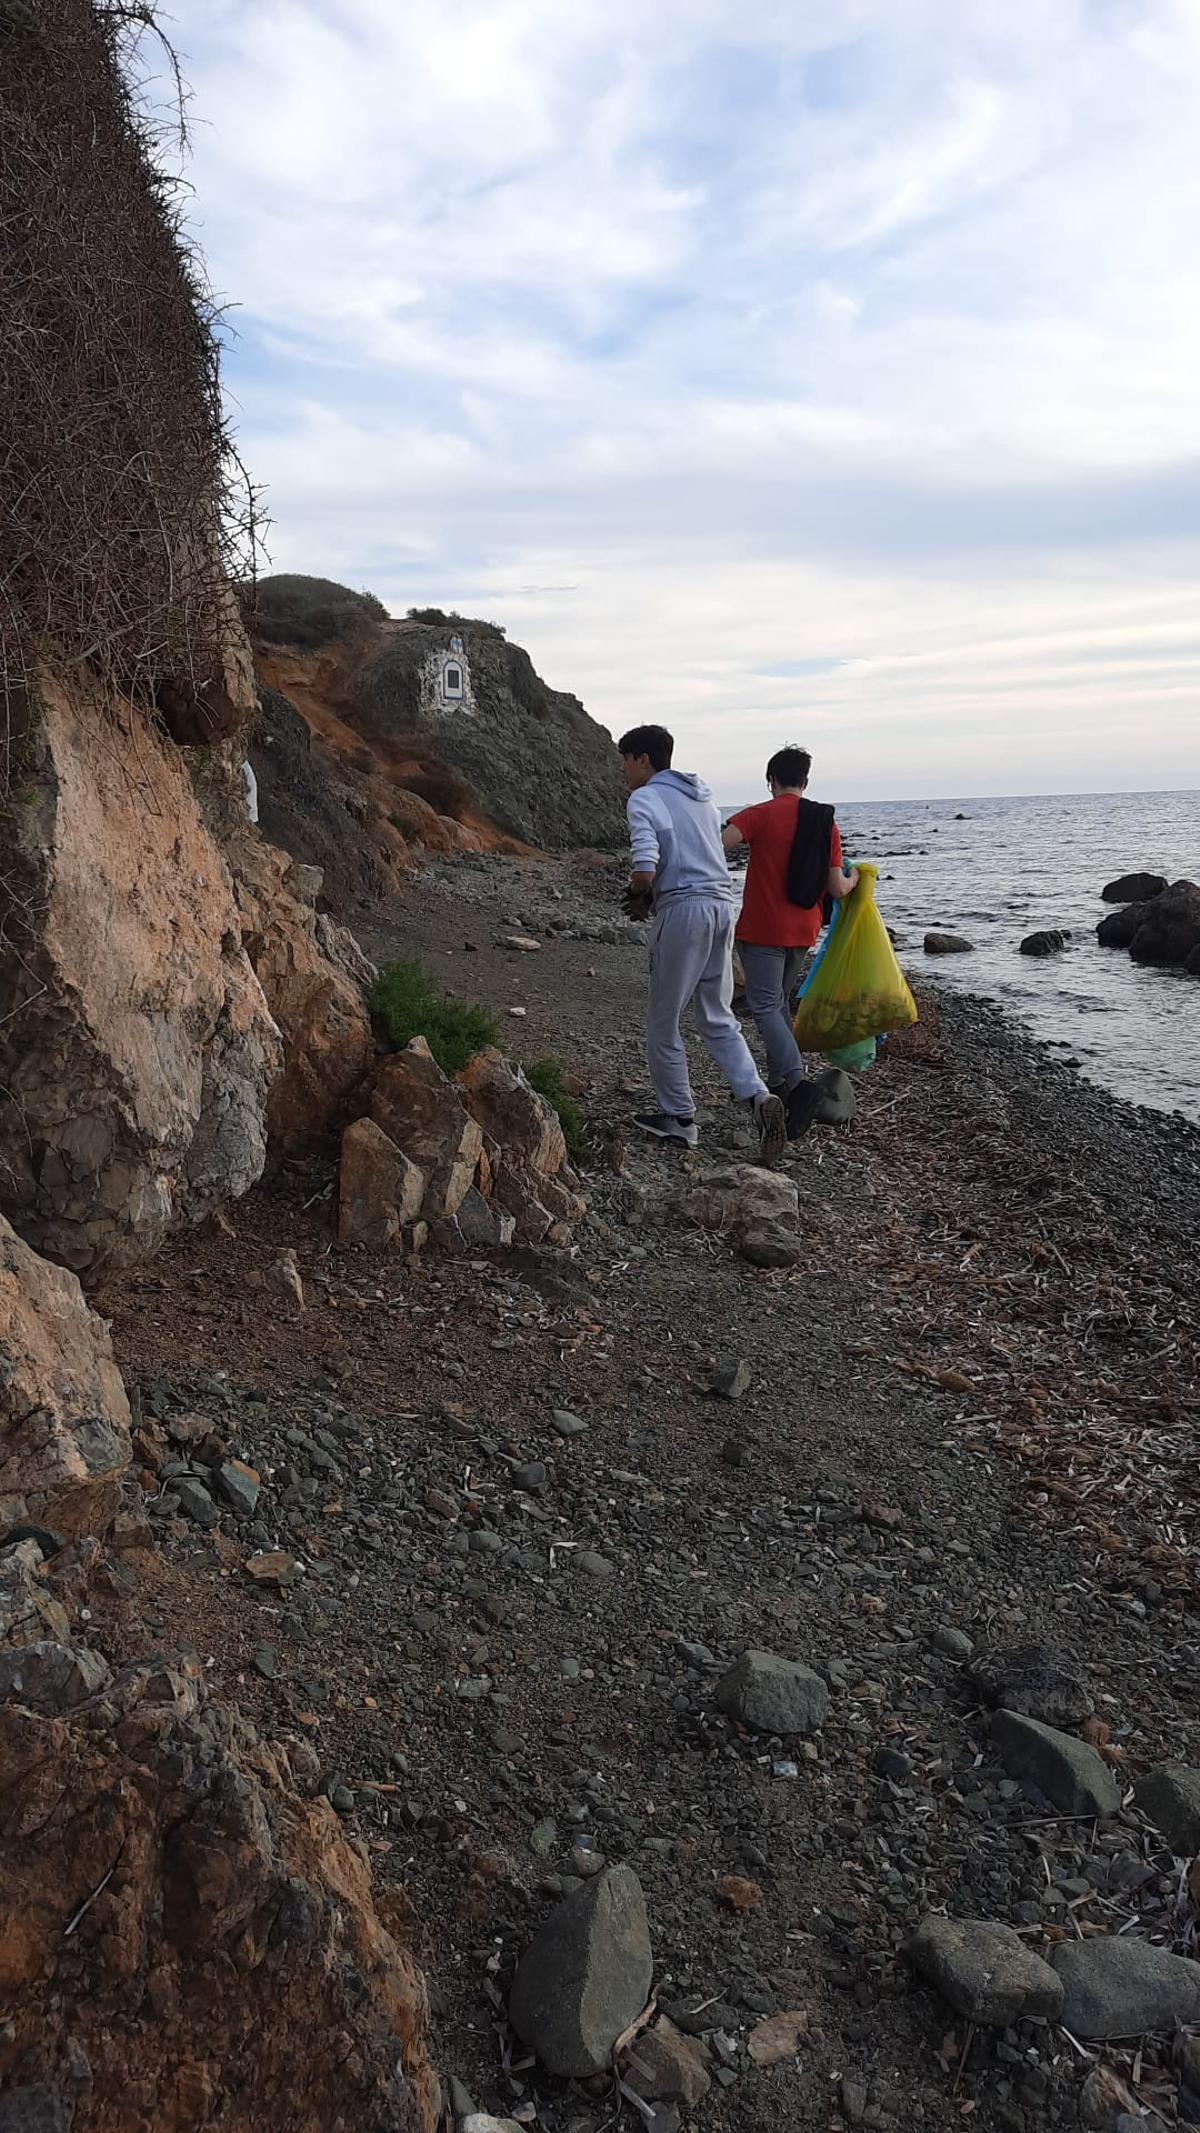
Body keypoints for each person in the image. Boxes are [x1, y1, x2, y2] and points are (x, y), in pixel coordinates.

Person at [618, 724, 787, 1165]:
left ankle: (679, 1117)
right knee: (716, 1014)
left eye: (625, 760)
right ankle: (756, 1096)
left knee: (664, 1019)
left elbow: (644, 865)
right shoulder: (703, 798)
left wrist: (639, 895)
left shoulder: (646, 798)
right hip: (720, 906)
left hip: (683, 911)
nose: (623, 771)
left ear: (643, 760)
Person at [722, 745, 859, 1135]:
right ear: (806, 781)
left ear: (771, 780)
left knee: (764, 1006)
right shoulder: (825, 823)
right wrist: (857, 879)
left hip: (764, 928)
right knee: (778, 1004)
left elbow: (719, 843)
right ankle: (780, 1083)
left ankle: (799, 1085)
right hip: (804, 929)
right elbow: (837, 886)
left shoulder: (760, 814)